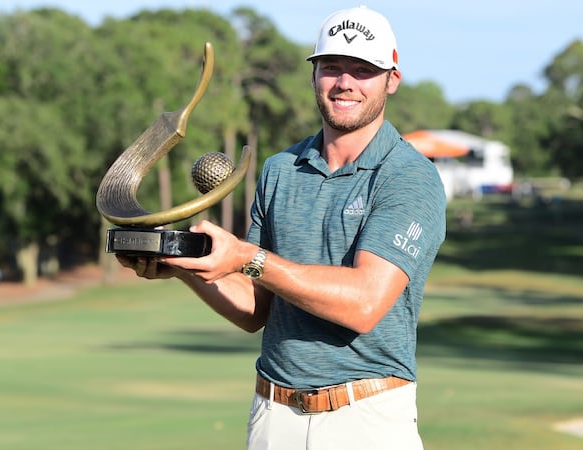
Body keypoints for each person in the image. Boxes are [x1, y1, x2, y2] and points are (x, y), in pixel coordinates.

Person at [117, 5, 446, 450]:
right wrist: (184, 265)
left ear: (392, 79)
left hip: (365, 418)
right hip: (274, 416)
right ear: (313, 75)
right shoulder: (280, 170)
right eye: (331, 67)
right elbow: (256, 308)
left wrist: (247, 258)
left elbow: (364, 303)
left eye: (363, 70)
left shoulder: (408, 175)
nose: (344, 83)